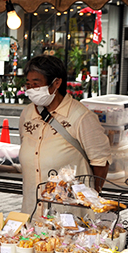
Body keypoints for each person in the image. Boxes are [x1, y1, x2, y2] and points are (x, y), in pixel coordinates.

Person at [18, 55, 111, 214]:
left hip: (69, 214)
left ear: (56, 83)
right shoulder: (27, 114)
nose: (31, 89)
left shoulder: (81, 117)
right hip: (33, 210)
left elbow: (101, 162)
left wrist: (89, 196)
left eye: (36, 84)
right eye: (28, 84)